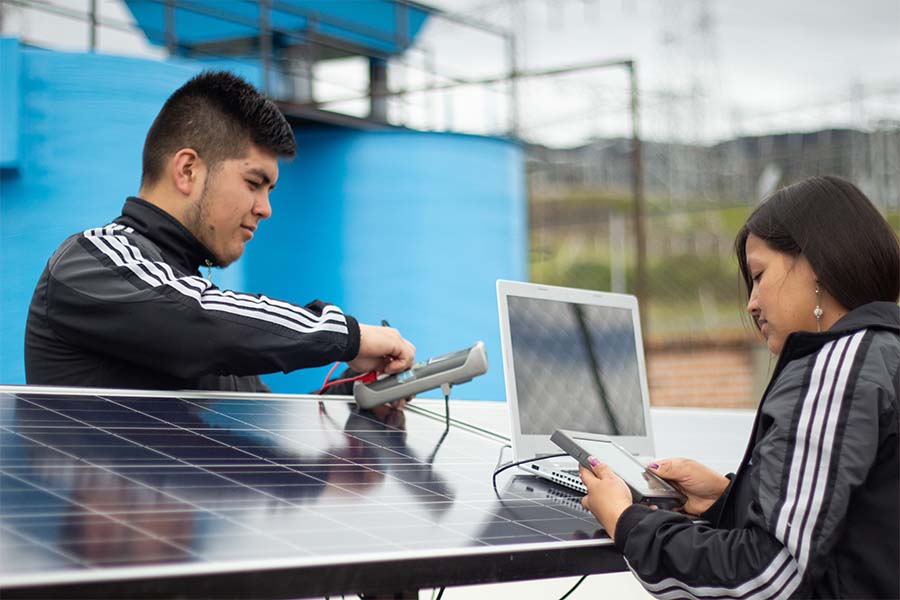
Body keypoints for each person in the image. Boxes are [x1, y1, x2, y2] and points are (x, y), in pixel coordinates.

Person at [579, 175, 900, 599]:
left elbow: (769, 575)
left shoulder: (841, 366)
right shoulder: (883, 352)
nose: (751, 302)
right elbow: (855, 527)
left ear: (817, 265)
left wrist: (627, 521)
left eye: (760, 275)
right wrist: (726, 500)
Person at [24, 70, 415, 392]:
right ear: (188, 171)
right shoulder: (92, 259)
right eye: (253, 182)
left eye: (269, 190)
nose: (265, 209)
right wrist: (346, 337)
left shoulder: (218, 324)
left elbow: (259, 436)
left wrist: (355, 396)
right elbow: (196, 316)